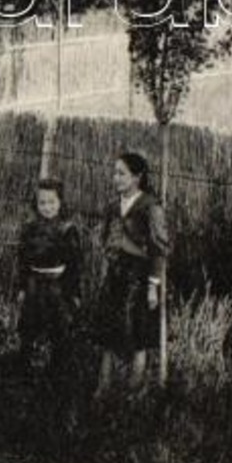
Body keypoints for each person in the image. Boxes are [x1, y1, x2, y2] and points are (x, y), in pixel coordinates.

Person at [93, 151, 170, 393]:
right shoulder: (113, 206)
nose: (115, 178)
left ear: (137, 177)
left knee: (138, 334)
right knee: (108, 331)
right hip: (115, 276)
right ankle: (103, 387)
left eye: (122, 174)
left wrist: (152, 286)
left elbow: (159, 249)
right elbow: (105, 238)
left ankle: (134, 393)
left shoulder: (150, 207)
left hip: (138, 277)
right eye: (114, 173)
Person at [15, 177, 83, 375]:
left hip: (57, 286)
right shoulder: (29, 229)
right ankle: (24, 367)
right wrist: (21, 288)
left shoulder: (67, 229)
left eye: (52, 202)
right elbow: (23, 261)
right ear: (36, 204)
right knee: (29, 327)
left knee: (59, 329)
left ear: (60, 202)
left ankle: (57, 371)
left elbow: (75, 265)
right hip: (34, 284)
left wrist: (73, 293)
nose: (47, 207)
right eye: (42, 203)